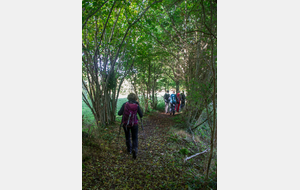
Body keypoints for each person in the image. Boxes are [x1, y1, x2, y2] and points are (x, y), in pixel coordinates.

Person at [118, 93, 143, 159]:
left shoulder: (125, 104)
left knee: (127, 136)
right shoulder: (137, 105)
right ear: (135, 98)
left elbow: (119, 113)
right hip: (134, 124)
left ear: (128, 97)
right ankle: (134, 149)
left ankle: (129, 150)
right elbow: (141, 115)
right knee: (135, 137)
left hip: (126, 124)